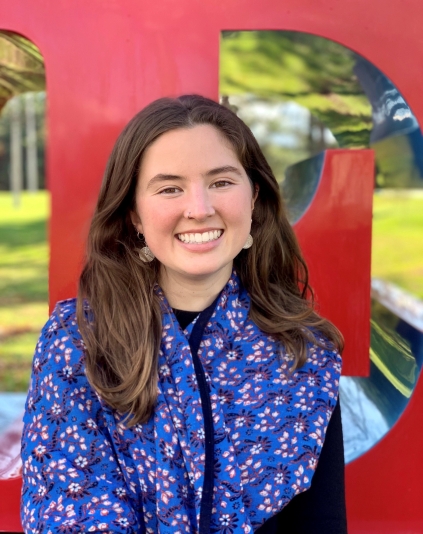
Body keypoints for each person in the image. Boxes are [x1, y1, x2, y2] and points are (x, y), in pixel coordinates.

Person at [21, 95, 347, 533]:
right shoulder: (77, 342)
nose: (199, 208)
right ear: (134, 213)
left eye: (221, 182)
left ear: (254, 199)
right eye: (170, 187)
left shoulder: (302, 354)